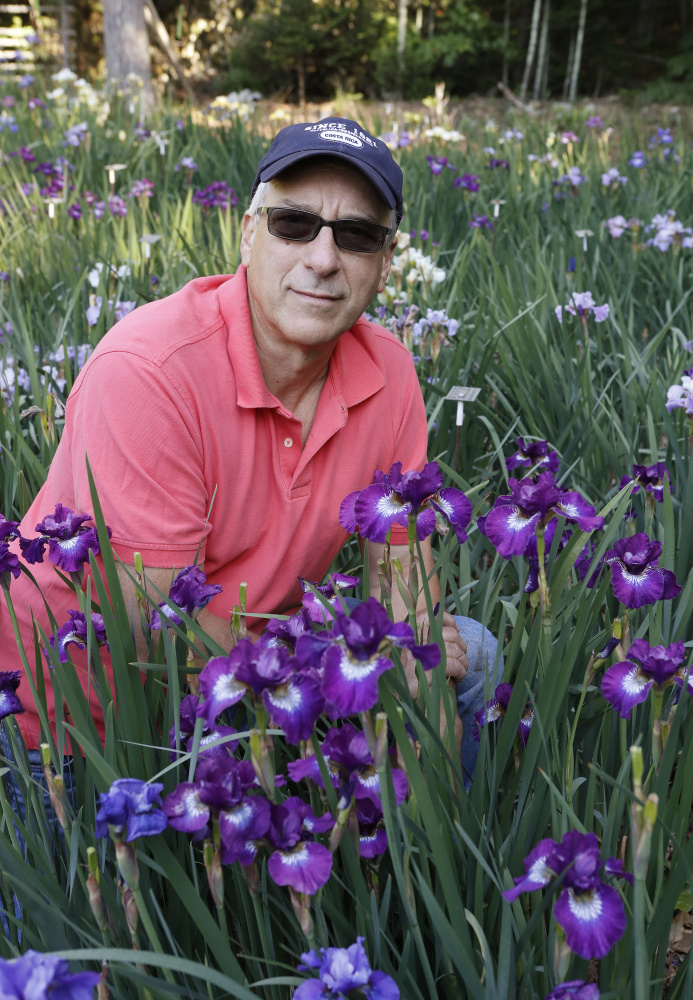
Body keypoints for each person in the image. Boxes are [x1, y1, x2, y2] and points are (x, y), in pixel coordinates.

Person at [1, 118, 500, 786]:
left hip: (260, 662)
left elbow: (401, 570)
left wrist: (417, 668)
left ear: (385, 263)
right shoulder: (152, 370)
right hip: (77, 724)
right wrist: (335, 657)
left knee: (473, 652)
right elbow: (154, 635)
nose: (323, 259)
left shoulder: (389, 372)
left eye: (355, 236)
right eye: (294, 224)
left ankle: (436, 860)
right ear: (246, 234)